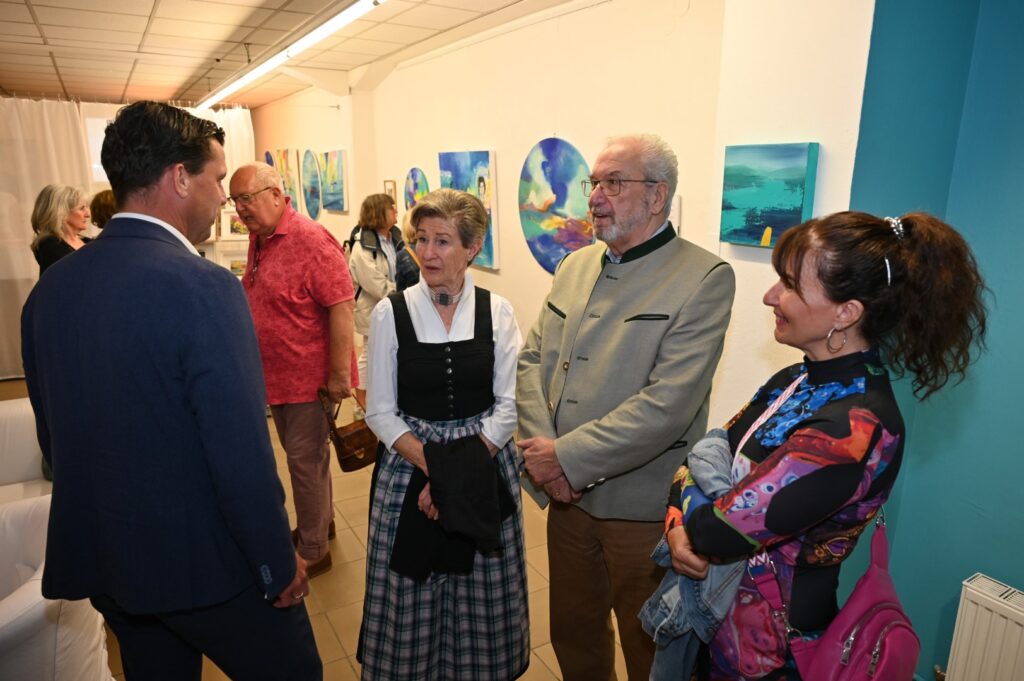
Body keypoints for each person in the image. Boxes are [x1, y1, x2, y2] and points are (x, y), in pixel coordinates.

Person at [21, 101, 321, 680]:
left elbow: (54, 439)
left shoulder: (51, 290)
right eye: (217, 179)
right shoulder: (205, 289)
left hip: (112, 564)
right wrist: (276, 562)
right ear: (180, 178)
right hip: (210, 570)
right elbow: (240, 455)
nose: (223, 198)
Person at [665, 211, 988, 680]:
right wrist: (681, 521)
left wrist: (688, 517)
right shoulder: (793, 380)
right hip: (717, 628)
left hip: (774, 657)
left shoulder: (853, 430)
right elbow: (698, 457)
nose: (770, 296)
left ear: (846, 312)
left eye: (789, 285)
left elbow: (718, 530)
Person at [516, 133, 736, 680]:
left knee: (650, 649)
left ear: (657, 196)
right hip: (566, 505)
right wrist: (545, 459)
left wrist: (563, 458)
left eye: (613, 183)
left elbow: (666, 406)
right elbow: (532, 360)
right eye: (594, 183)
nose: (595, 197)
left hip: (642, 512)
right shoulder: (574, 266)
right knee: (574, 635)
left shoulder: (704, 278)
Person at [359, 188, 529, 680]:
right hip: (410, 467)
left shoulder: (497, 311)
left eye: (442, 241)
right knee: (413, 592)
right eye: (421, 239)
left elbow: (508, 407)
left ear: (472, 248)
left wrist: (457, 476)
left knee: (480, 592)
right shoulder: (391, 313)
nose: (427, 252)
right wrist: (441, 471)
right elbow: (380, 412)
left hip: (483, 465)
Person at [229, 161, 356, 578]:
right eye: (235, 200)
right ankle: (322, 523)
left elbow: (342, 307)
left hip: (309, 379)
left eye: (246, 198)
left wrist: (339, 377)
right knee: (308, 459)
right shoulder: (261, 236)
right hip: (277, 376)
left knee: (304, 462)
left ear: (275, 195)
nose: (240, 208)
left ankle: (315, 549)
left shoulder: (311, 239)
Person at [349, 192, 420, 407]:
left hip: (395, 305)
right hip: (373, 309)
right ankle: (361, 403)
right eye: (391, 207)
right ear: (379, 213)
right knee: (370, 354)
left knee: (390, 352)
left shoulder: (395, 237)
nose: (396, 211)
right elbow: (376, 284)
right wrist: (404, 294)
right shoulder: (362, 248)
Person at [30, 184, 91, 276]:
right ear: (62, 212)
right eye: (81, 208)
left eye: (87, 207)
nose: (88, 214)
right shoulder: (50, 246)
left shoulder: (88, 241)